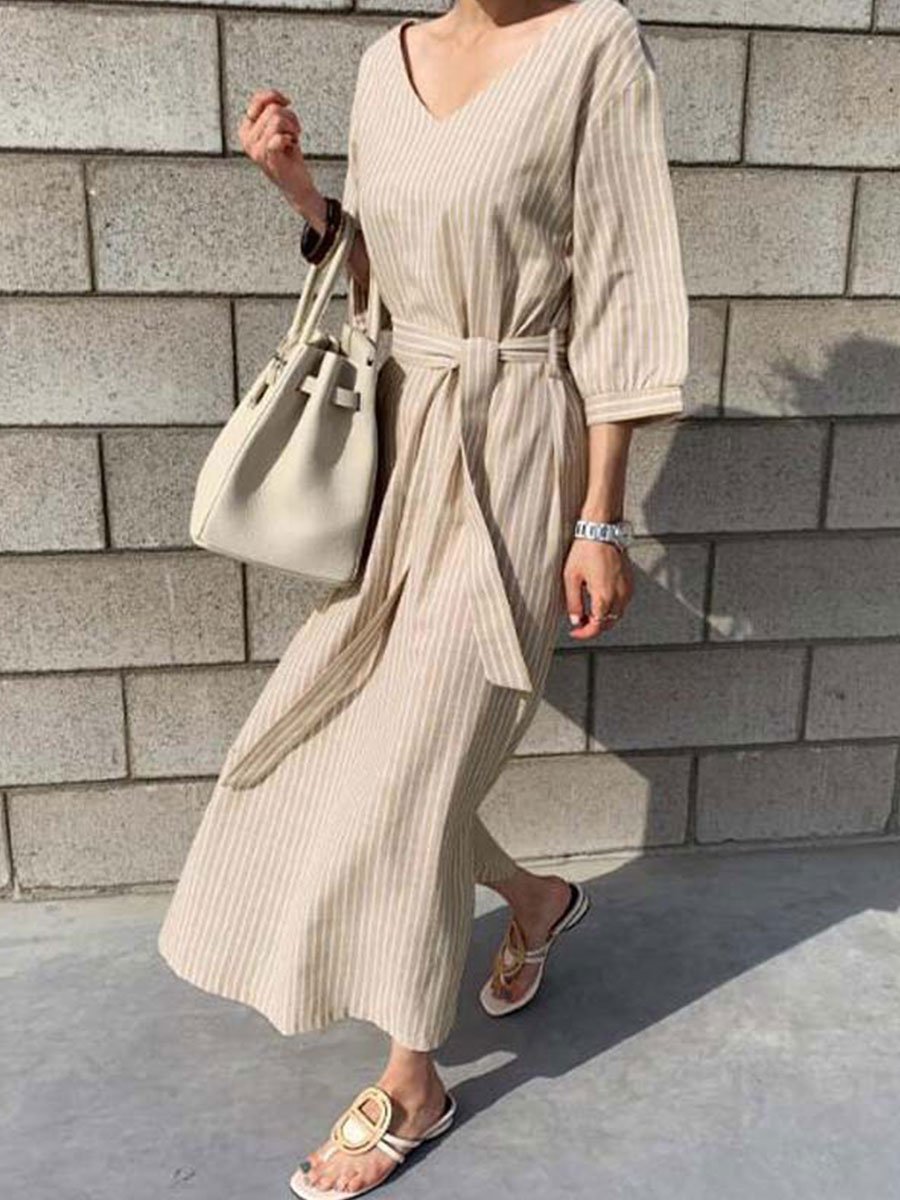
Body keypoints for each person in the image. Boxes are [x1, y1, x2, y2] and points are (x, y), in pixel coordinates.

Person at [156, 1, 689, 1195]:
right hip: (404, 449)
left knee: (413, 773)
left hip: (517, 450)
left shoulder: (595, 43)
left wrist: (600, 517)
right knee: (338, 741)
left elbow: (622, 282)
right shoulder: (385, 61)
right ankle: (536, 899)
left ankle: (414, 1081)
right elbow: (388, 276)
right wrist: (303, 195)